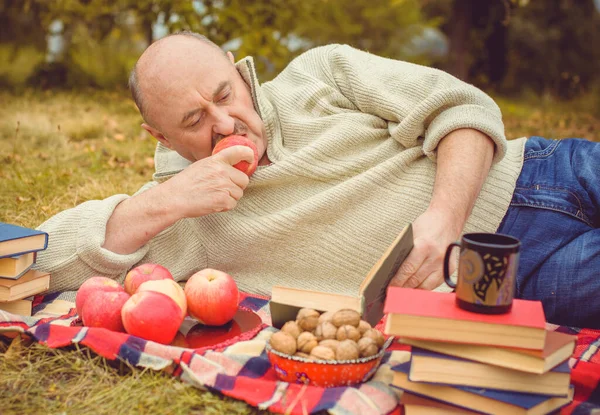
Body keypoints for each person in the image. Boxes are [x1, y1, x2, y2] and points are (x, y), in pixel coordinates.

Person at [36, 31, 600, 328]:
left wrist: (444, 219)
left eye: (224, 95)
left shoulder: (321, 72)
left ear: (237, 68)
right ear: (158, 137)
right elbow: (35, 259)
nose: (225, 123)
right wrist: (162, 202)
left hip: (542, 168)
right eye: (192, 121)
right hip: (512, 276)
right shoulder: (181, 220)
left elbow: (463, 108)